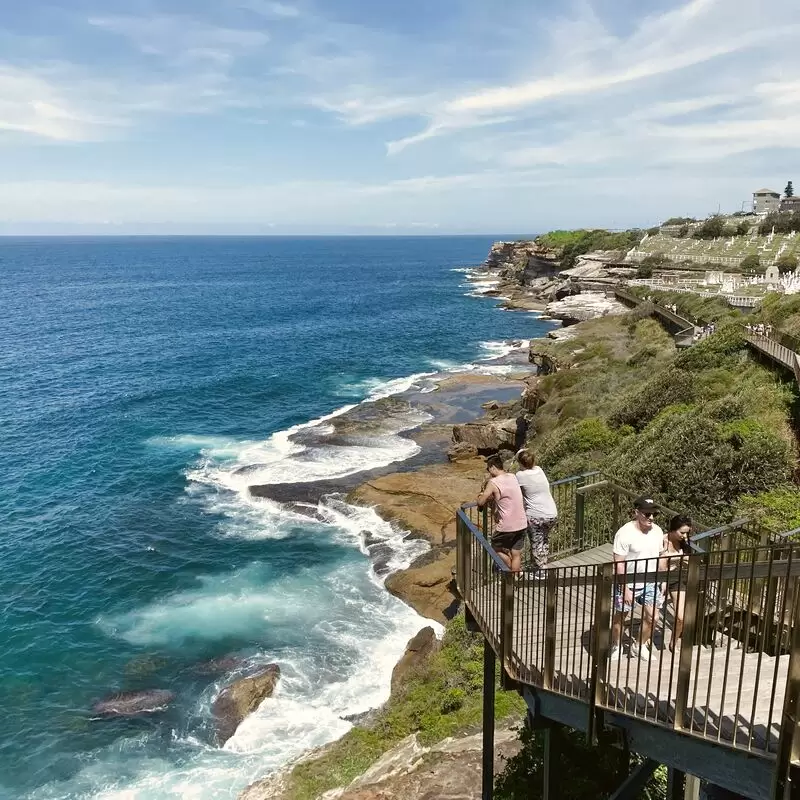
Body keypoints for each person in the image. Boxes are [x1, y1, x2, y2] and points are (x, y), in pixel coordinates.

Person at [610, 495, 665, 662]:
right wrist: (625, 588)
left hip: (651, 581)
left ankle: (639, 645)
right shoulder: (624, 533)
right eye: (647, 514)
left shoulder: (657, 531)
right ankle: (617, 645)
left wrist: (663, 579)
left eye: (654, 514)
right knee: (621, 615)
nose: (651, 518)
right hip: (630, 581)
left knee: (653, 617)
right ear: (637, 513)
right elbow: (619, 563)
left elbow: (660, 556)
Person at [477, 454, 527, 572]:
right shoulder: (513, 476)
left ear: (493, 467)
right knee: (516, 554)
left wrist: (480, 497)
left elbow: (482, 501)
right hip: (522, 523)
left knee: (494, 548)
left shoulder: (493, 482)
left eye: (488, 469)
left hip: (507, 525)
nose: (489, 472)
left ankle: (509, 569)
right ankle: (515, 577)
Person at [515, 449, 558, 572]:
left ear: (520, 463)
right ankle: (541, 565)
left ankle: (541, 570)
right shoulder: (539, 470)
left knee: (537, 542)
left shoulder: (520, 475)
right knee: (543, 540)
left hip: (537, 515)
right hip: (552, 513)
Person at [660, 515, 693, 652]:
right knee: (651, 618)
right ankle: (644, 642)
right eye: (682, 532)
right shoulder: (660, 541)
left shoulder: (684, 542)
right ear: (673, 530)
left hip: (676, 579)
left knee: (681, 617)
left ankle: (674, 642)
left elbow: (687, 560)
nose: (685, 536)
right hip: (659, 580)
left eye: (687, 533)